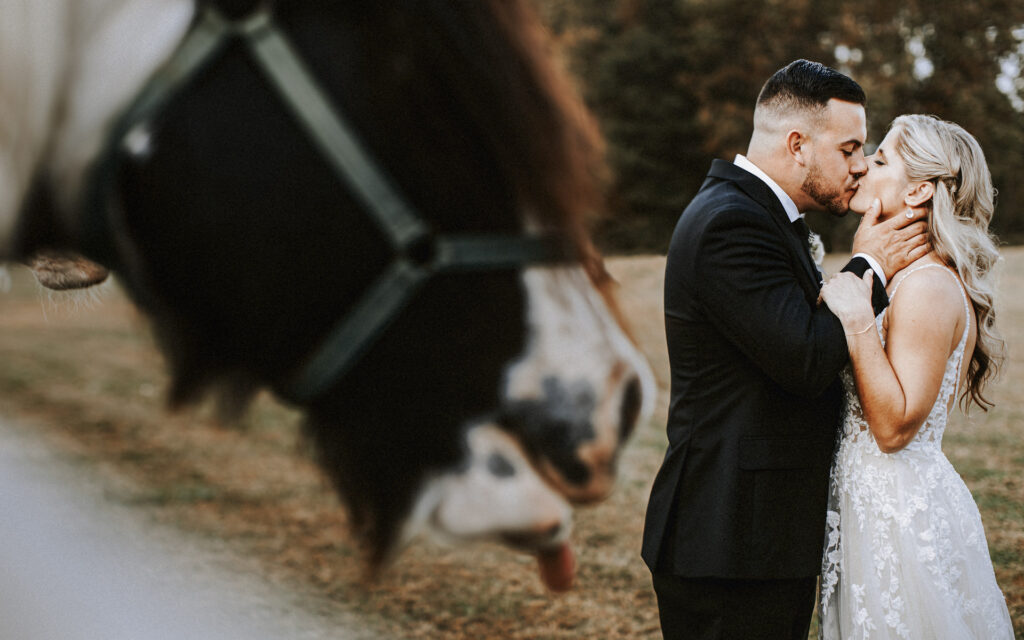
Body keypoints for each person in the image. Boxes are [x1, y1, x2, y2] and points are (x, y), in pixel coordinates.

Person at [641, 59, 930, 639]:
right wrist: (870, 265)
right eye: (848, 148)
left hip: (758, 534)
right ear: (798, 145)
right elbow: (805, 359)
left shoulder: (762, 215)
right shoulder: (730, 224)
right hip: (728, 540)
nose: (860, 165)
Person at [817, 114, 1014, 638]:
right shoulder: (903, 276)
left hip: (900, 514)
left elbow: (894, 427)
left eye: (881, 159)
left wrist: (857, 316)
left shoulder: (928, 286)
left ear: (919, 191)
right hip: (867, 503)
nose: (863, 166)